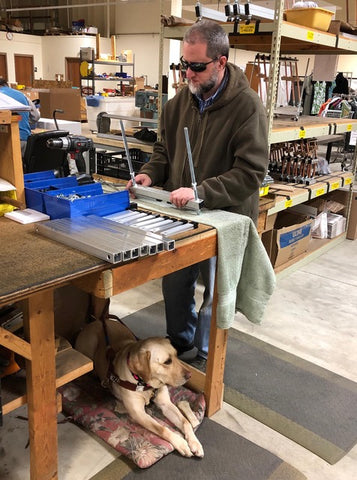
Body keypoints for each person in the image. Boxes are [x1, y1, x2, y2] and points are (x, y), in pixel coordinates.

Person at [127, 20, 269, 370]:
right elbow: (164, 151)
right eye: (183, 65)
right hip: (181, 216)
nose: (187, 74)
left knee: (215, 292)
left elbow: (251, 172)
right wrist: (149, 173)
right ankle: (179, 345)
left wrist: (201, 191)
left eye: (196, 66)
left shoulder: (248, 108)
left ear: (221, 62)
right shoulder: (178, 105)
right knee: (175, 284)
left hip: (225, 218)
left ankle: (204, 356)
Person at [0, 78, 40, 157]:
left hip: (6, 141)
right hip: (25, 140)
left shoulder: (2, 96)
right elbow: (36, 116)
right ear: (7, 85)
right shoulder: (21, 94)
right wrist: (23, 121)